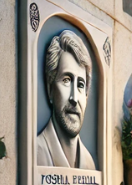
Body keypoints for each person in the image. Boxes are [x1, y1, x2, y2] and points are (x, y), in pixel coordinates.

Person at [37, 29, 96, 170]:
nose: (74, 98)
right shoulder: (35, 152)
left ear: (86, 97)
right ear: (50, 89)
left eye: (81, 85)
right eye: (66, 80)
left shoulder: (89, 164)